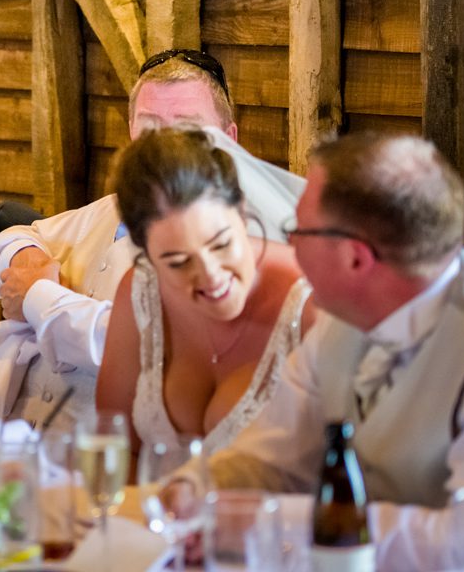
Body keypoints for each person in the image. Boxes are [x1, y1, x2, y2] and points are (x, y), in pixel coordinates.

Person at [183, 132, 464, 569]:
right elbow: (274, 457)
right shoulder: (340, 319)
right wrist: (194, 489)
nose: (291, 245)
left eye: (298, 230)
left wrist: (274, 521)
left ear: (355, 259)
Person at [0, 50, 305, 431]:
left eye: (187, 127)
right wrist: (24, 255)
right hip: (4, 426)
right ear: (131, 129)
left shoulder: (245, 241)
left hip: (105, 446)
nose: (163, 144)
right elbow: (14, 233)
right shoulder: (110, 209)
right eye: (149, 127)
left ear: (228, 138)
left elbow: (154, 342)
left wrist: (36, 296)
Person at [97, 129, 312, 462]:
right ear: (148, 257)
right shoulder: (140, 292)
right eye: (179, 262)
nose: (211, 275)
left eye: (222, 244)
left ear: (241, 212)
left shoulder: (312, 303)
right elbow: (115, 449)